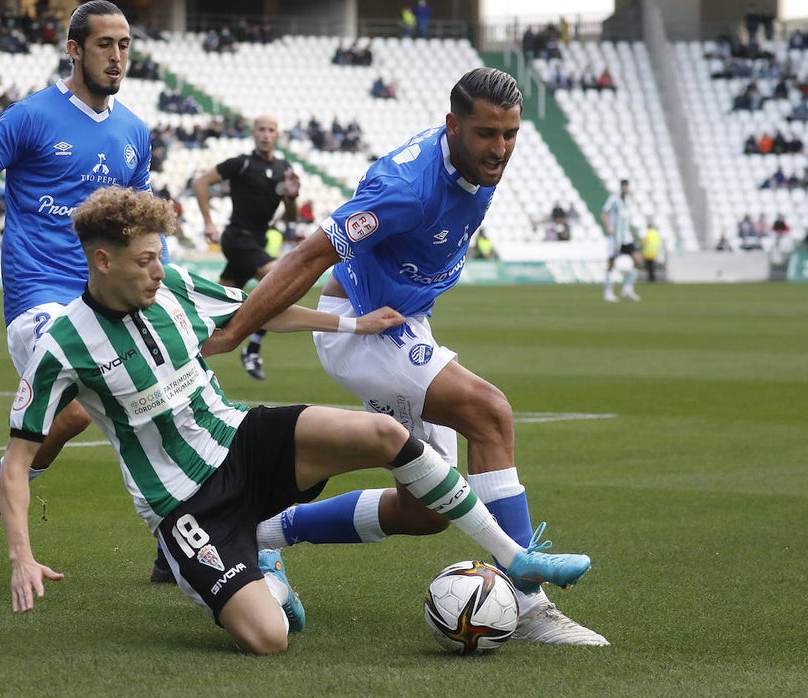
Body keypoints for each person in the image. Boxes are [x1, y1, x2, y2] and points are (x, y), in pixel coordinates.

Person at [0, 188, 592, 654]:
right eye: (146, 260)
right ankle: (252, 559)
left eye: (160, 257)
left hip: (241, 439)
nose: (159, 270)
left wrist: (353, 326)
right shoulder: (62, 347)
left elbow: (262, 310)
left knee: (388, 435)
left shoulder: (176, 287)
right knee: (269, 638)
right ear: (103, 261)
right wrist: (21, 557)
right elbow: (18, 461)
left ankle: (515, 560)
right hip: (185, 505)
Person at [202, 68, 607, 646]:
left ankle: (262, 532)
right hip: (364, 324)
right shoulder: (405, 188)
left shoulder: (476, 162)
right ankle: (529, 602)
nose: (500, 149)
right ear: (452, 127)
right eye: (487, 134)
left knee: (425, 512)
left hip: (403, 321)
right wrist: (239, 329)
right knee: (488, 411)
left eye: (510, 134)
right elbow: (307, 256)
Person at [0, 0, 160, 588]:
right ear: (74, 49)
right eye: (105, 44)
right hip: (40, 298)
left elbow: (142, 226)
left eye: (125, 44)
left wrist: (157, 280)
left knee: (163, 400)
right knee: (80, 406)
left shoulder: (134, 132)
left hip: (108, 298)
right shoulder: (30, 117)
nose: (117, 56)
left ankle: (180, 533)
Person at [191, 114, 299, 383]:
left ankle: (187, 354)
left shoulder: (284, 168)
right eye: (261, 129)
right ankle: (252, 349)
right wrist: (208, 222)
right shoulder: (241, 163)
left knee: (212, 306)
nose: (265, 134)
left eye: (271, 130)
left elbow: (292, 216)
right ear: (253, 133)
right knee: (280, 282)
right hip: (237, 238)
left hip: (257, 242)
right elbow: (200, 182)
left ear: (277, 135)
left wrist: (292, 197)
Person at [602, 179, 642, 302]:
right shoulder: (614, 200)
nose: (626, 189)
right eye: (624, 187)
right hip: (615, 239)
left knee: (638, 260)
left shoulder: (629, 200)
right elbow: (604, 213)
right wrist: (608, 227)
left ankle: (627, 288)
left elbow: (626, 219)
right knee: (611, 264)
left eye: (627, 187)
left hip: (626, 238)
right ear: (621, 188)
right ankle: (608, 292)